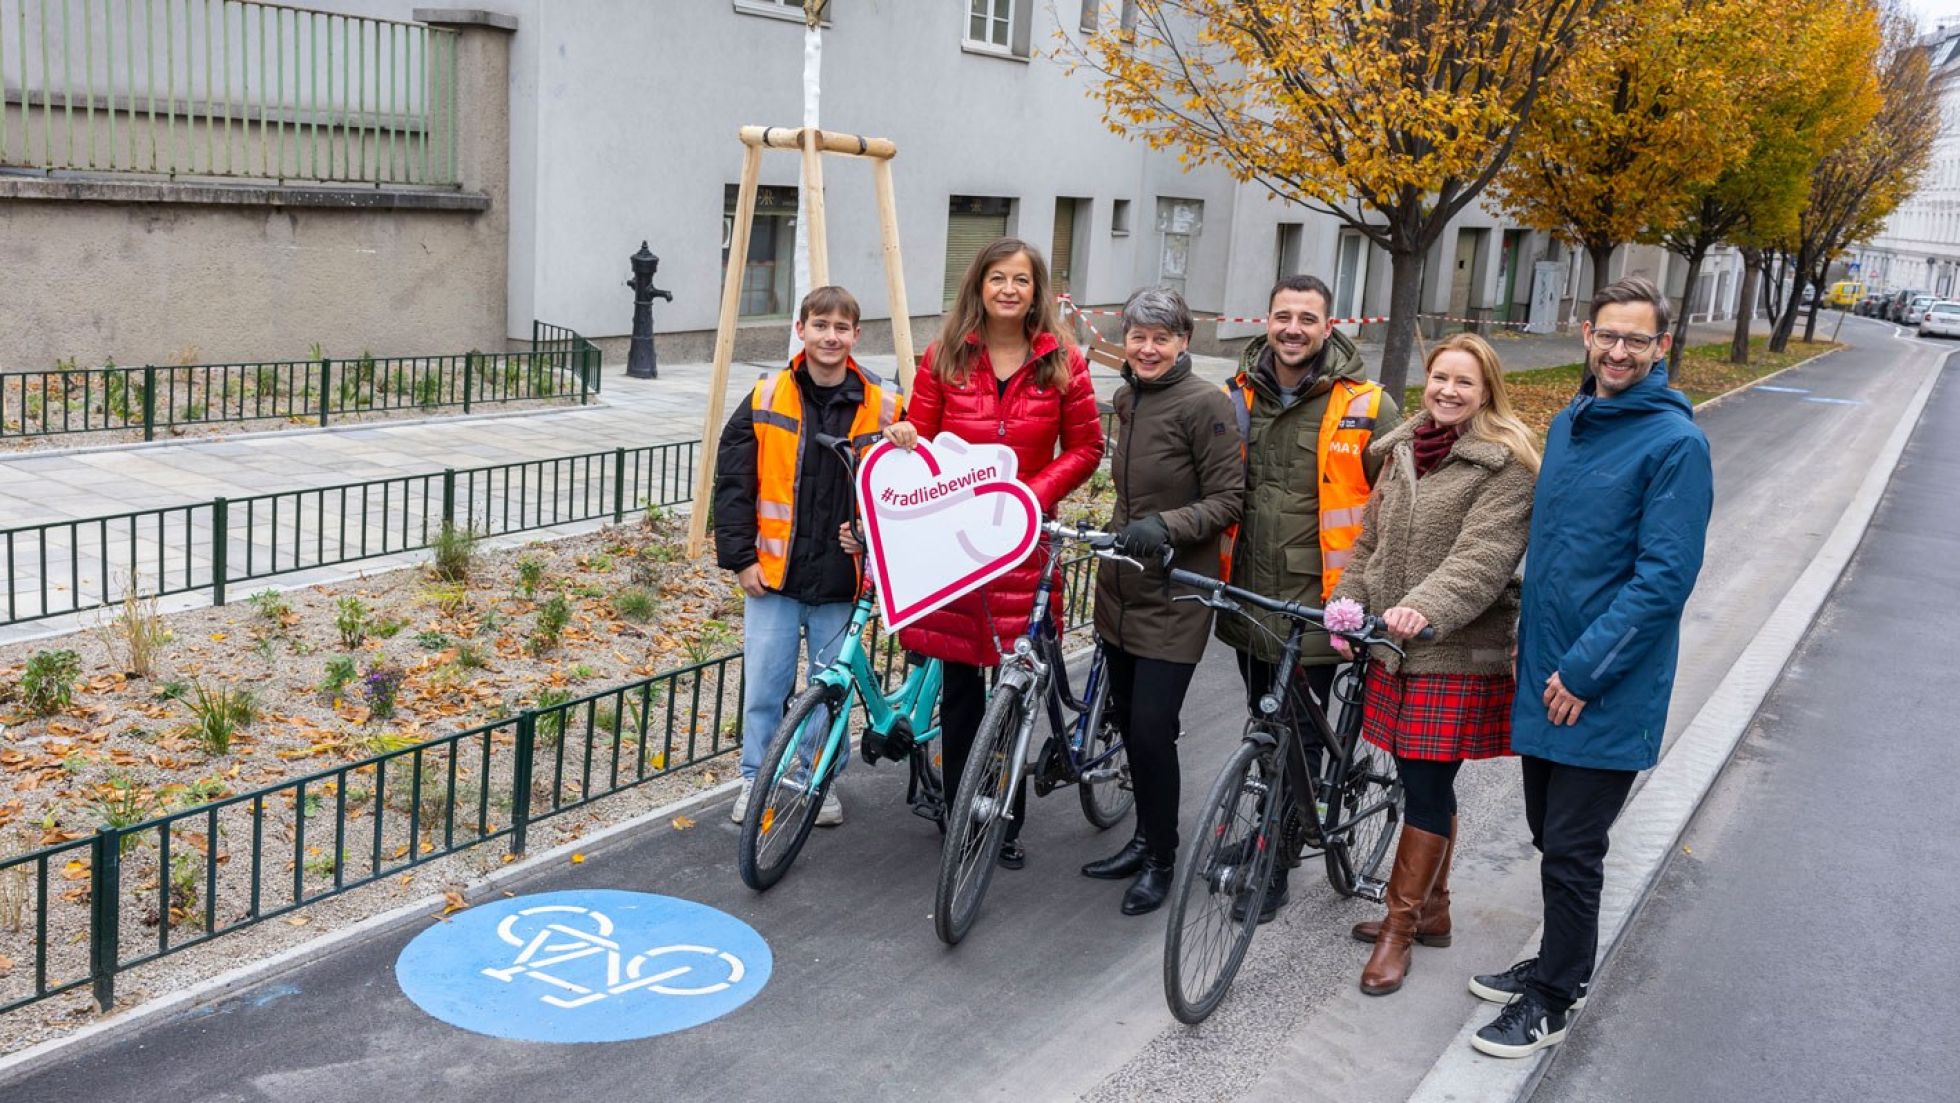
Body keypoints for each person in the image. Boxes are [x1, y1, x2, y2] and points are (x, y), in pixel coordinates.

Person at [1468, 276, 1712, 1058]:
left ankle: (1555, 995)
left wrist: (1583, 670)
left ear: (1661, 347)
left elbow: (1662, 580)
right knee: (1547, 829)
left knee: (1573, 847)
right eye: (1608, 334)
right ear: (1586, 334)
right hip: (1549, 670)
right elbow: (1559, 551)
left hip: (1602, 684)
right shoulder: (1573, 421)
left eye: (1636, 339)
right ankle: (1555, 957)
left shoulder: (1676, 444)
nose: (1618, 350)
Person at [1326, 333, 1539, 995]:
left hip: (1451, 648)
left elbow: (1483, 560)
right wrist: (1346, 603)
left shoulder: (1507, 467)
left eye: (1464, 382)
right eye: (1440, 377)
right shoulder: (1401, 451)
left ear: (1487, 392)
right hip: (1394, 646)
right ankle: (1434, 909)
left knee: (1423, 781)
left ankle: (1398, 926)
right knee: (1424, 780)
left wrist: (1420, 607)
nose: (1448, 391)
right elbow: (1371, 542)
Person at [882, 238, 1104, 869]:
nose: (1009, 290)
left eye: (1022, 280)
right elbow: (920, 435)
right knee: (959, 687)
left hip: (1025, 542)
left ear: (1038, 291)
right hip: (956, 539)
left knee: (1016, 687)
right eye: (998, 278)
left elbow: (1085, 447)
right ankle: (958, 810)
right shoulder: (945, 355)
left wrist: (1028, 496)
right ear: (978, 286)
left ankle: (1001, 818)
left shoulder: (1065, 363)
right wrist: (904, 434)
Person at [1217, 274, 1400, 922]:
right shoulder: (1238, 395)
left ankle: (1276, 862)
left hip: (1323, 604)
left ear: (1330, 326)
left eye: (1307, 317)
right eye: (1283, 315)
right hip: (1249, 597)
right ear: (1266, 320)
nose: (1293, 327)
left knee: (1299, 737)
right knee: (1267, 725)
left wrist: (1378, 593)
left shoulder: (1367, 404)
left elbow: (1396, 506)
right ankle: (1271, 828)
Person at [1081, 287, 1243, 915]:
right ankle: (1143, 836)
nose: (1147, 349)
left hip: (1178, 593)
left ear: (1183, 342)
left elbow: (1230, 499)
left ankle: (1162, 858)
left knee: (1152, 731)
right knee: (1128, 724)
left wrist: (1167, 526)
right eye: (1138, 336)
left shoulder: (1207, 404)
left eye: (1161, 337)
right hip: (1121, 588)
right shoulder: (1126, 398)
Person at [714, 286, 901, 826]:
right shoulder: (767, 394)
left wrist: (871, 542)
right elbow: (734, 483)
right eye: (820, 325)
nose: (830, 337)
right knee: (766, 689)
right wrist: (740, 557)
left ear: (857, 336)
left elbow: (902, 490)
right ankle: (755, 779)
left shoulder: (887, 405)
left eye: (842, 328)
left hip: (843, 580)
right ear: (800, 330)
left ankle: (813, 778)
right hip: (773, 575)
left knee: (830, 691)